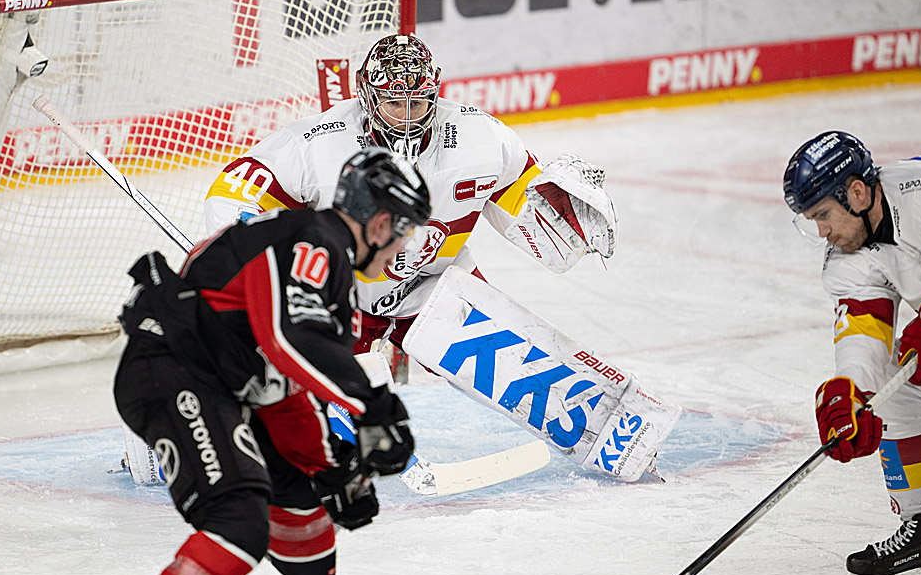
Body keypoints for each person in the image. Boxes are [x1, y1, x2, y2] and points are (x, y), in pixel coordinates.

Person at [114, 147, 431, 575]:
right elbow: (291, 337)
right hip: (173, 372)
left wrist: (329, 468)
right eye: (406, 231)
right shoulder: (313, 241)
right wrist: (374, 406)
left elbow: (285, 387)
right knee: (238, 520)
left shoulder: (322, 258)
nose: (403, 248)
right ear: (381, 224)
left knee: (299, 499)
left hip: (217, 381)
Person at [204, 33, 617, 362]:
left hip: (435, 286)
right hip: (338, 297)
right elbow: (232, 192)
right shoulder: (315, 144)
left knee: (525, 368)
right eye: (392, 103)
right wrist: (254, 258)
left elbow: (527, 200)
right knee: (328, 407)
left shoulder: (482, 139)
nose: (405, 118)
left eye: (416, 103)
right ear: (368, 97)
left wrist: (568, 220)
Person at [783, 130, 921, 575]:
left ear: (858, 193)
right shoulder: (849, 257)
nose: (822, 232)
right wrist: (851, 389)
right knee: (891, 384)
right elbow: (865, 329)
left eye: (823, 215)